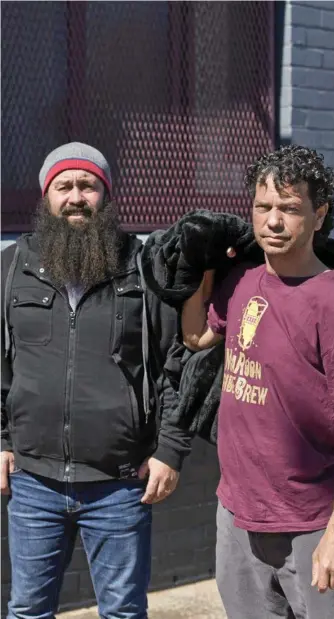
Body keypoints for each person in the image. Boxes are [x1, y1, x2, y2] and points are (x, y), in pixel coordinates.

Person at [1, 142, 191, 619]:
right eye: (64, 186)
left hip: (120, 483)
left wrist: (169, 449)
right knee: (26, 610)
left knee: (124, 612)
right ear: (46, 197)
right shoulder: (11, 269)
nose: (76, 197)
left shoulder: (143, 268)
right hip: (33, 482)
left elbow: (176, 364)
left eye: (88, 185)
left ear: (106, 195)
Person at [182, 145, 334, 619]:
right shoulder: (243, 282)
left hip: (312, 525)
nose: (273, 221)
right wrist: (201, 266)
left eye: (290, 209)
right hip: (237, 516)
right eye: (263, 207)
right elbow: (195, 337)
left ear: (319, 215)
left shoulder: (329, 302)